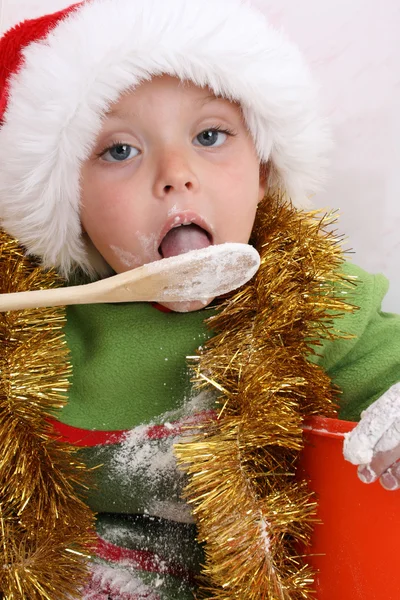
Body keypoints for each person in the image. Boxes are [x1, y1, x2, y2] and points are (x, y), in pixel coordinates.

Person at [0, 0, 399, 598]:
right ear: (66, 198)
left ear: (263, 170)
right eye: (119, 150)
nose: (176, 173)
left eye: (210, 135)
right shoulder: (31, 319)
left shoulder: (309, 296)